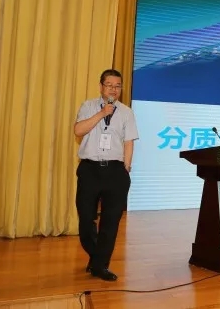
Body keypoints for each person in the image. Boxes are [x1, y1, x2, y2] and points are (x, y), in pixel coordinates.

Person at [73, 69, 139, 281]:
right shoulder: (88, 106)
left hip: (115, 171)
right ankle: (97, 258)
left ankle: (100, 265)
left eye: (117, 86)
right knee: (86, 221)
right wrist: (102, 114)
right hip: (90, 169)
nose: (113, 89)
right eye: (109, 85)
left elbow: (129, 142)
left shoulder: (126, 112)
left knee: (110, 222)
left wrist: (126, 168)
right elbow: (78, 130)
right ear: (101, 86)